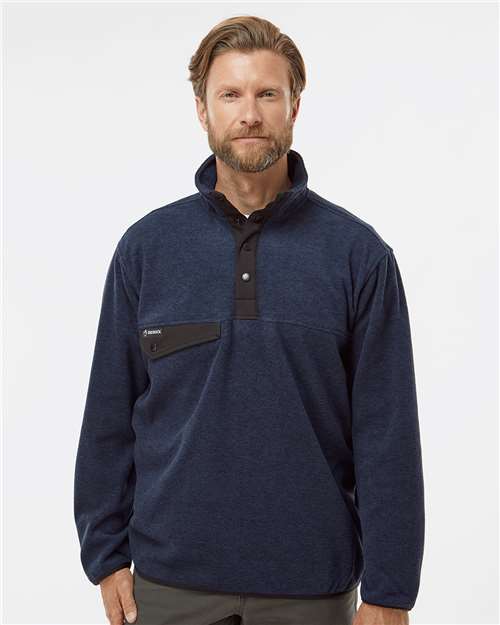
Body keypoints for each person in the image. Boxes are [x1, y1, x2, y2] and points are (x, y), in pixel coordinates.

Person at [74, 14, 425, 625]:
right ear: (202, 110)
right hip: (168, 585)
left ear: (294, 106)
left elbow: (387, 434)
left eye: (267, 93)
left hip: (311, 587)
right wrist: (105, 558)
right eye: (230, 95)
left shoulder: (359, 257)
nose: (250, 114)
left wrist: (390, 592)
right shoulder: (147, 250)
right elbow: (109, 415)